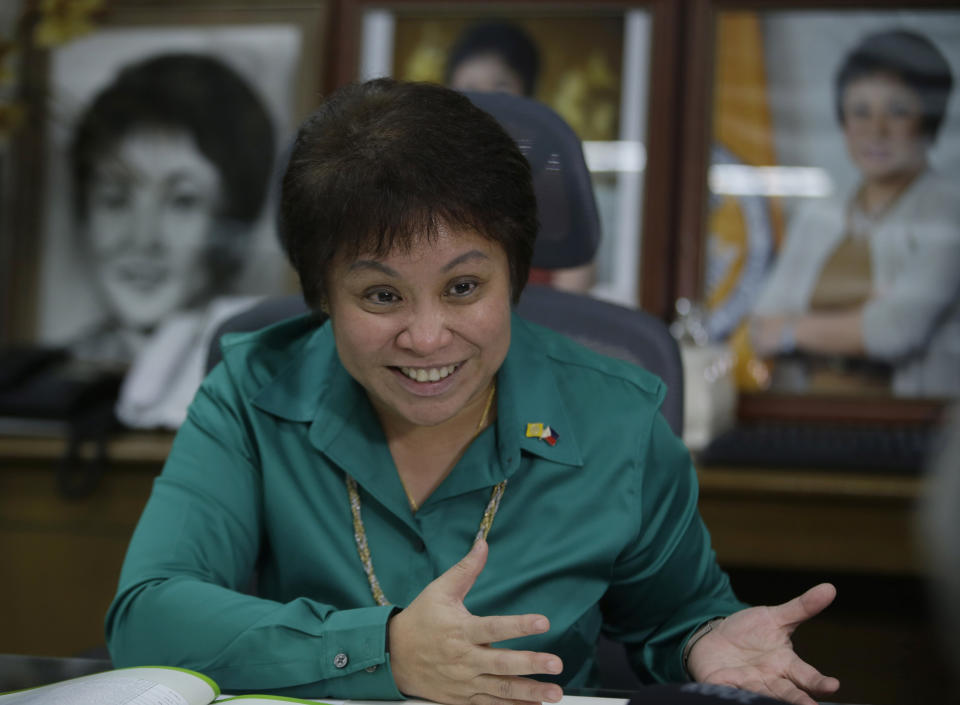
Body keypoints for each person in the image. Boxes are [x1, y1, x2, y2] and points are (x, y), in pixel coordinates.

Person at [106, 78, 839, 705]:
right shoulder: (251, 391)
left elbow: (677, 618)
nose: (428, 337)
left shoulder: (617, 415)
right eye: (381, 294)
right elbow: (148, 616)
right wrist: (381, 650)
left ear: (515, 276)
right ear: (323, 295)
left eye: (463, 287)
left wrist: (707, 641)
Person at [68, 52, 277, 427]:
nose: (143, 239)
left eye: (182, 201)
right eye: (115, 199)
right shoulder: (64, 369)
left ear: (235, 222)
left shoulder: (265, 381)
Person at [749, 29, 960, 397]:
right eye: (860, 111)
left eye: (898, 111)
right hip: (805, 415)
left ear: (928, 119)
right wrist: (861, 321)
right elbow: (758, 330)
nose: (875, 130)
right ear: (843, 122)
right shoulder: (820, 213)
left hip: (912, 432)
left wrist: (790, 329)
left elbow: (894, 333)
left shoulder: (948, 209)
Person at [446, 20, 595, 294]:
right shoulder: (429, 177)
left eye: (500, 88)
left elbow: (574, 289)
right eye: (470, 89)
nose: (486, 103)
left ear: (526, 96)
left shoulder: (552, 180)